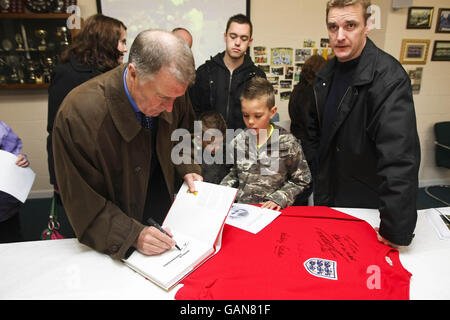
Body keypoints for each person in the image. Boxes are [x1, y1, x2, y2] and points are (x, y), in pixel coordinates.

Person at [52, 30, 202, 260]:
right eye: (163, 98)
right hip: (110, 235)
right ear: (133, 73)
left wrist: (188, 167)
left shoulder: (172, 91)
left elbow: (185, 134)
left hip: (163, 215)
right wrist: (131, 235)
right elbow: (83, 203)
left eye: (177, 98)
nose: (171, 108)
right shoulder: (78, 115)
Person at [304, 0, 420, 247]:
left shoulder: (388, 78)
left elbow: (399, 159)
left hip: (366, 205)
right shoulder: (325, 75)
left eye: (350, 25)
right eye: (333, 27)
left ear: (367, 25)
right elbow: (317, 135)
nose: (340, 36)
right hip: (329, 196)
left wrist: (394, 228)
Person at [46, 14, 128, 236]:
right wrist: (59, 180)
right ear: (105, 41)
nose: (124, 49)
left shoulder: (113, 73)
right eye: (121, 41)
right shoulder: (68, 74)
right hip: (78, 170)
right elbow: (56, 129)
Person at [221, 77, 311, 210]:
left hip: (271, 215)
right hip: (242, 212)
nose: (250, 122)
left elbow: (303, 179)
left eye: (257, 116)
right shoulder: (239, 140)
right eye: (246, 115)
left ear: (272, 112)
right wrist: (221, 191)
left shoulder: (287, 143)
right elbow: (235, 173)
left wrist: (281, 197)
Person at [189, 14, 266, 130]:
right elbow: (194, 113)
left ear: (250, 41)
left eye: (243, 38)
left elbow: (261, 117)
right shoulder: (204, 72)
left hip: (244, 144)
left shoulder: (258, 77)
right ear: (225, 37)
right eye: (233, 36)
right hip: (209, 143)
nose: (237, 43)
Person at [288, 55, 326, 206]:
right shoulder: (313, 92)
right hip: (310, 147)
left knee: (300, 186)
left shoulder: (296, 90)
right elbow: (311, 124)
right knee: (306, 188)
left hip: (297, 143)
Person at [0, 121, 29, 243]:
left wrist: (21, 160)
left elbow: (15, 154)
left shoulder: (2, 128)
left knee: (13, 253)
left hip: (5, 210)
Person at [193, 111, 229, 184]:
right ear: (198, 138)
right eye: (211, 144)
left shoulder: (227, 154)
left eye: (220, 143)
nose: (217, 147)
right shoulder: (190, 157)